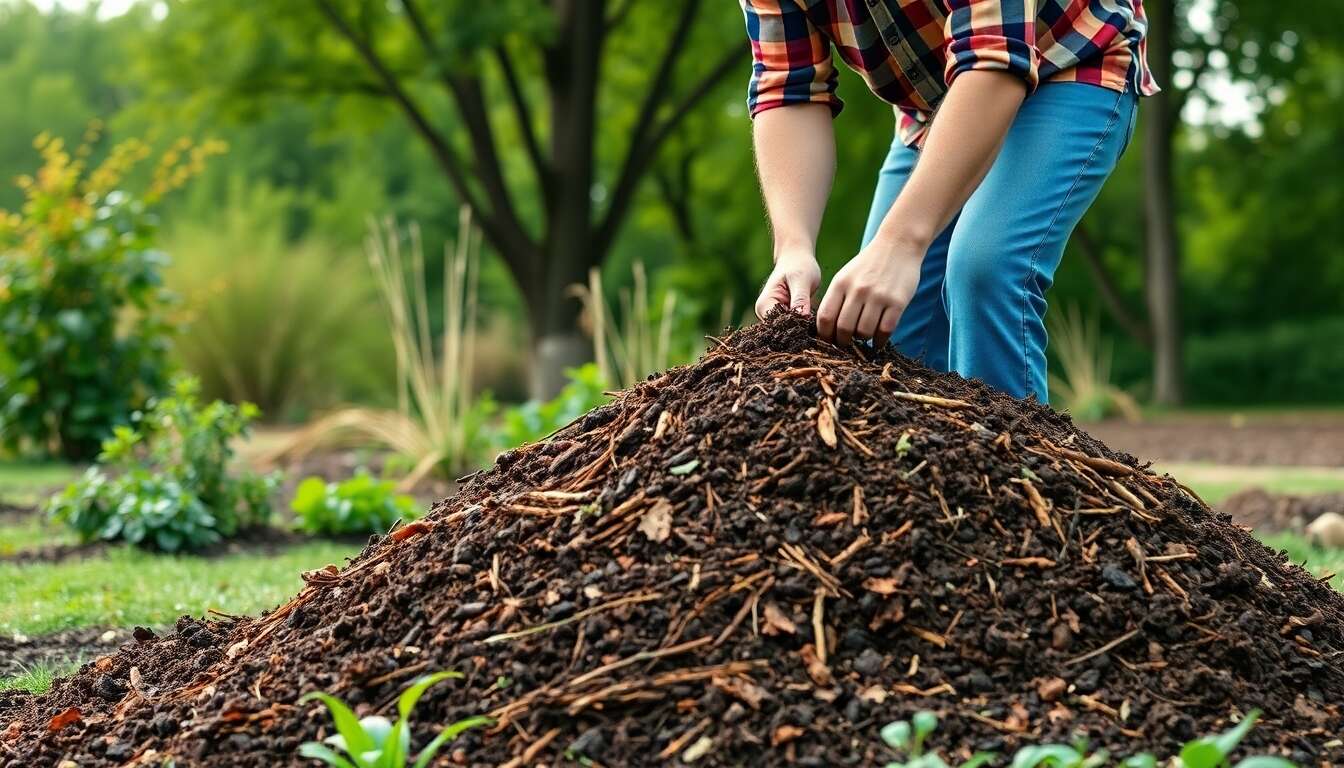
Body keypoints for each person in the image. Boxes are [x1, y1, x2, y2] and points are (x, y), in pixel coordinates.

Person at [744, 0, 1157, 401]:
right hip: (936, 104)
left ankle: (1013, 467)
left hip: (1070, 55)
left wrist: (901, 243)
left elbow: (995, 54)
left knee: (985, 266)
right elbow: (787, 87)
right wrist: (793, 247)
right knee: (880, 321)